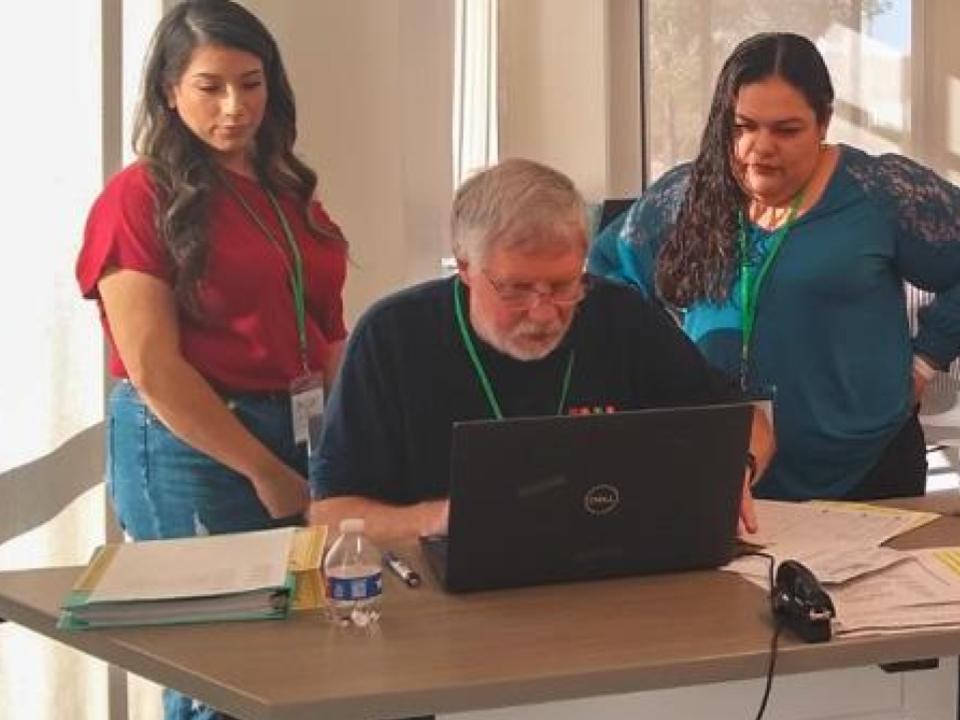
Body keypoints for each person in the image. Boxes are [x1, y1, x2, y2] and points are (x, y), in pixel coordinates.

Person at [76, 1, 347, 718]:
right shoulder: (137, 199)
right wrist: (263, 470)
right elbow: (154, 370)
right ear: (170, 90)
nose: (236, 107)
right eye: (211, 86)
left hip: (294, 428)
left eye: (251, 83)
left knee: (295, 652)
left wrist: (343, 445)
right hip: (189, 442)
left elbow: (327, 327)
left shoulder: (288, 188)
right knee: (218, 668)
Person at [309, 158, 772, 541]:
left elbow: (748, 420)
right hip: (448, 599)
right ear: (466, 265)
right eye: (516, 289)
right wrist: (445, 519)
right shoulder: (392, 338)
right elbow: (331, 515)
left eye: (564, 284)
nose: (544, 312)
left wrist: (737, 470)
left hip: (606, 581)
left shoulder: (620, 315)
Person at [589, 32, 960, 502]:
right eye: (744, 126)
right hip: (724, 465)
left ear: (823, 122)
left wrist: (926, 360)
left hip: (869, 467)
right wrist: (660, 370)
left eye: (786, 130)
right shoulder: (686, 194)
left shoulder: (879, 190)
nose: (760, 147)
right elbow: (606, 273)